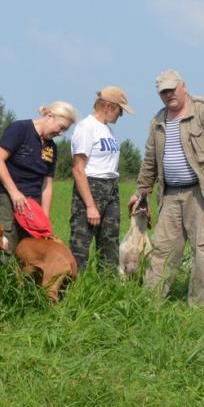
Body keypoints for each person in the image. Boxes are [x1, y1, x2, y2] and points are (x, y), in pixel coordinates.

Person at [130, 69, 204, 307]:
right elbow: (150, 160)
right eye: (164, 92)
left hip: (201, 193)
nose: (169, 95)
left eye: (172, 89)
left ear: (183, 86)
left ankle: (199, 309)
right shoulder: (158, 120)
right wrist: (142, 192)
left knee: (202, 251)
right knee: (161, 250)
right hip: (170, 195)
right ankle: (149, 304)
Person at [0, 102, 77, 251]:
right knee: (6, 246)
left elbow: (47, 185)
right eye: (61, 127)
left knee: (30, 249)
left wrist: (44, 218)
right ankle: (3, 267)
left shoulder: (51, 147)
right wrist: (14, 192)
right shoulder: (20, 129)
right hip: (7, 196)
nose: (61, 133)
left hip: (32, 203)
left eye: (65, 130)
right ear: (49, 116)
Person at [69, 86, 133, 272]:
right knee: (81, 243)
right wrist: (90, 205)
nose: (121, 115)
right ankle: (74, 284)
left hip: (111, 188)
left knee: (110, 244)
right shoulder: (86, 128)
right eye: (120, 110)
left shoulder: (108, 130)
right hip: (91, 186)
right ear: (108, 106)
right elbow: (78, 168)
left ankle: (107, 284)